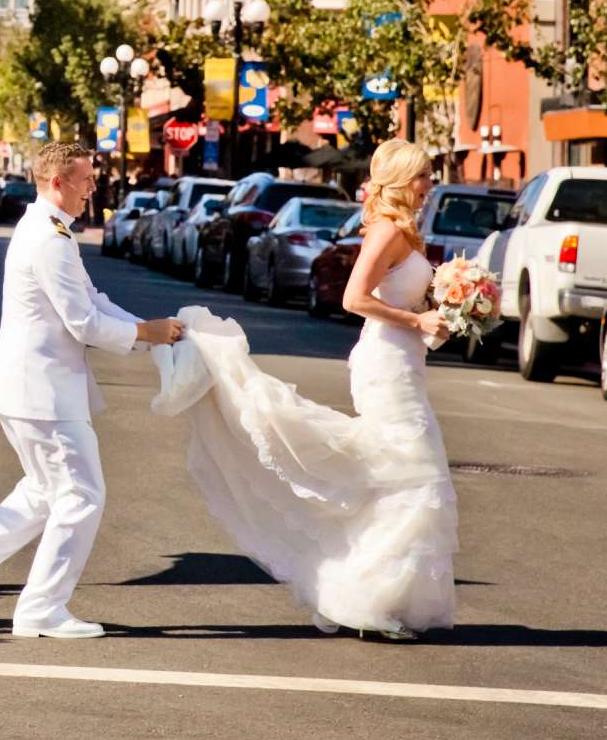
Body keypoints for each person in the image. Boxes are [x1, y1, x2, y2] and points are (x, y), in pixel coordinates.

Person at [148, 139, 457, 639]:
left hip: (405, 362)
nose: (429, 184)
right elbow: (355, 297)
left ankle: (376, 596)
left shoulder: (405, 233)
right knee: (415, 476)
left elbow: (402, 298)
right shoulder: (387, 232)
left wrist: (448, 309)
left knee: (394, 476)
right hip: (386, 366)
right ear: (403, 180)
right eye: (423, 175)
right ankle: (372, 599)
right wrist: (415, 317)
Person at [0, 141, 185, 638]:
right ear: (58, 182)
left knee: (47, 491)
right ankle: (42, 608)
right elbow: (83, 320)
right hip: (40, 392)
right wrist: (145, 334)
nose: (94, 188)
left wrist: (150, 333)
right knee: (81, 496)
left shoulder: (52, 231)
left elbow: (93, 299)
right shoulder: (47, 237)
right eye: (86, 179)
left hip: (35, 388)